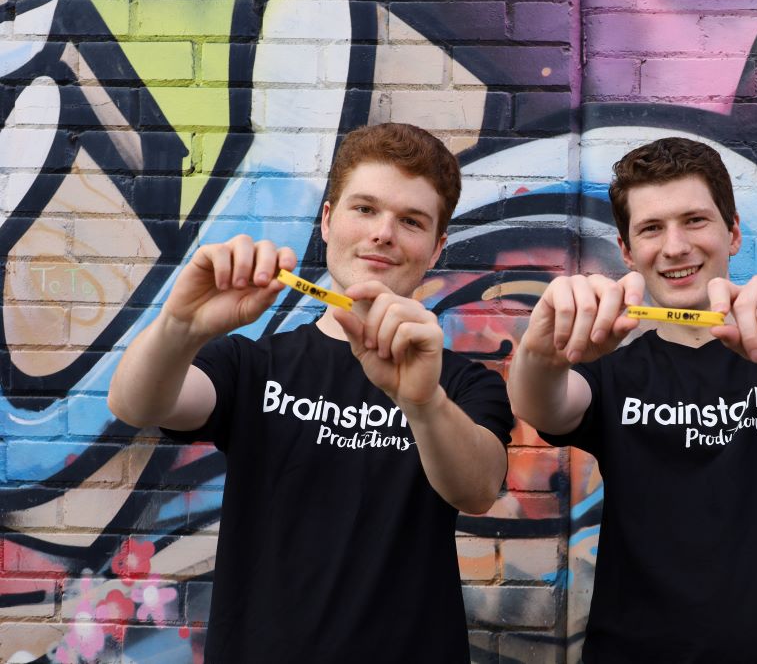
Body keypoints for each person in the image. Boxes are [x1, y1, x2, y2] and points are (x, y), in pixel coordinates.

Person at [108, 123, 512, 663]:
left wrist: (423, 402)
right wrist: (182, 325)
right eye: (364, 209)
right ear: (327, 220)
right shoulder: (254, 363)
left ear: (437, 248)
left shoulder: (463, 383)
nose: (383, 233)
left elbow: (478, 488)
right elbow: (137, 403)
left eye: (410, 221)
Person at [507, 137, 757, 663]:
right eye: (652, 229)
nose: (675, 246)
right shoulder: (610, 373)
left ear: (732, 234)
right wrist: (543, 348)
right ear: (627, 251)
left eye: (695, 221)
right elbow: (540, 403)